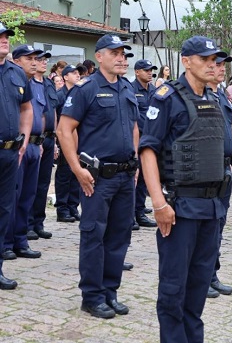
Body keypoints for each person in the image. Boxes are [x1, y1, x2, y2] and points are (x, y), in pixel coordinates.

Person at [139, 36, 228, 341]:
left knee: (199, 286)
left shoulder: (213, 99)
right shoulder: (167, 98)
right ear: (186, 61)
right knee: (174, 289)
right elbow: (147, 150)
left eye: (214, 60)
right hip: (180, 208)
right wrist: (159, 204)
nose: (211, 65)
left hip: (211, 208)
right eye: (204, 59)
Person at [57, 34, 139, 319]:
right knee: (94, 235)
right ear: (99, 56)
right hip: (97, 177)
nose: (121, 58)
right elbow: (64, 130)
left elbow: (134, 128)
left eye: (124, 54)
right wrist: (77, 169)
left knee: (119, 236)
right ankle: (91, 297)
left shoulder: (127, 89)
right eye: (115, 53)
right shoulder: (85, 89)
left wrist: (137, 161)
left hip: (125, 175)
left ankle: (110, 292)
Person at [4, 45, 50, 260]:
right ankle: (7, 243)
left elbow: (37, 113)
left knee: (27, 196)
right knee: (12, 196)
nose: (34, 62)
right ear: (17, 60)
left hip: (30, 145)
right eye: (29, 58)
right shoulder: (13, 78)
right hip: (14, 146)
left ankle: (20, 240)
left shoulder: (36, 84)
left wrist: (37, 141)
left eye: (36, 58)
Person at [0, 25, 34, 290]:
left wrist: (23, 140)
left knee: (3, 210)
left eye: (5, 37)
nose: (4, 41)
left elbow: (26, 108)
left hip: (10, 153)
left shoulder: (16, 73)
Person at [207, 49, 232, 299]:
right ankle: (201, 277)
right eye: (216, 64)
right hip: (206, 170)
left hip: (224, 168)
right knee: (206, 227)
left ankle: (211, 274)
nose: (220, 69)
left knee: (218, 225)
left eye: (223, 65)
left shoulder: (221, 94)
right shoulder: (199, 95)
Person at [28, 49, 59, 240]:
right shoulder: (29, 82)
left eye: (45, 60)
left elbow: (52, 111)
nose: (43, 63)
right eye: (39, 60)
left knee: (44, 183)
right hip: (34, 139)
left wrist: (54, 139)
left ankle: (39, 222)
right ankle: (28, 224)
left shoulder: (48, 84)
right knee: (31, 184)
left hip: (48, 138)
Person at [54, 65, 84, 222]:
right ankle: (62, 208)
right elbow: (57, 118)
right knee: (64, 174)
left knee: (76, 173)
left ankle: (73, 206)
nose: (77, 75)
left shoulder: (79, 93)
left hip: (78, 138)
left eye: (78, 73)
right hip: (64, 138)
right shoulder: (60, 95)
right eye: (74, 73)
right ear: (65, 77)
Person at [131, 59, 158, 229]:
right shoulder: (131, 89)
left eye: (151, 70)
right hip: (136, 137)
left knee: (144, 178)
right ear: (137, 72)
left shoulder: (154, 90)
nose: (149, 73)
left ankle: (140, 212)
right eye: (146, 70)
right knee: (134, 176)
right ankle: (130, 215)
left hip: (150, 138)